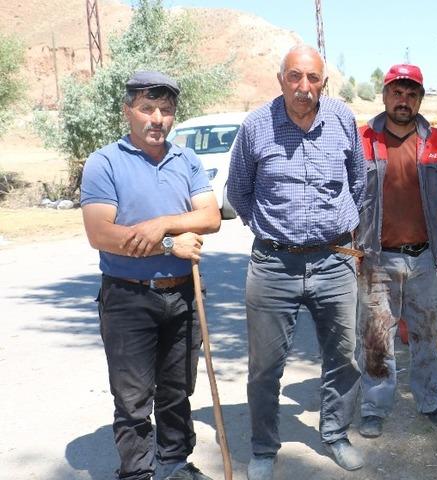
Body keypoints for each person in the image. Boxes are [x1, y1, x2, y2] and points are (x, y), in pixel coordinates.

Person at [226, 45, 367, 476]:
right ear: (281, 78)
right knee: (265, 367)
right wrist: (272, 232)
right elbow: (238, 192)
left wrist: (337, 231)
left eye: (313, 78)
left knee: (345, 357)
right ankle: (264, 448)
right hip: (273, 265)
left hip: (335, 260)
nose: (304, 87)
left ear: (324, 82)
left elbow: (359, 182)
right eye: (295, 77)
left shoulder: (343, 120)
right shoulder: (255, 127)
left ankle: (336, 434)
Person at [80, 71, 222, 480]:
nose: (157, 118)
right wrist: (169, 244)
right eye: (147, 108)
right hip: (128, 298)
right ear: (128, 111)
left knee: (177, 391)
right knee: (132, 399)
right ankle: (137, 473)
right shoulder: (104, 162)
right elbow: (101, 233)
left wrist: (160, 224)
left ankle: (175, 465)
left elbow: (210, 216)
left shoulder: (186, 160)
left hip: (183, 295)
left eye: (166, 110)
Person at [355, 63, 437, 440]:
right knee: (376, 337)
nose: (404, 100)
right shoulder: (363, 138)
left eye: (412, 94)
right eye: (397, 93)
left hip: (425, 258)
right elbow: (346, 197)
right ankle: (374, 406)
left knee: (427, 334)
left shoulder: (436, 141)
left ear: (420, 98)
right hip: (376, 259)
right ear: (385, 95)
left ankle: (431, 400)